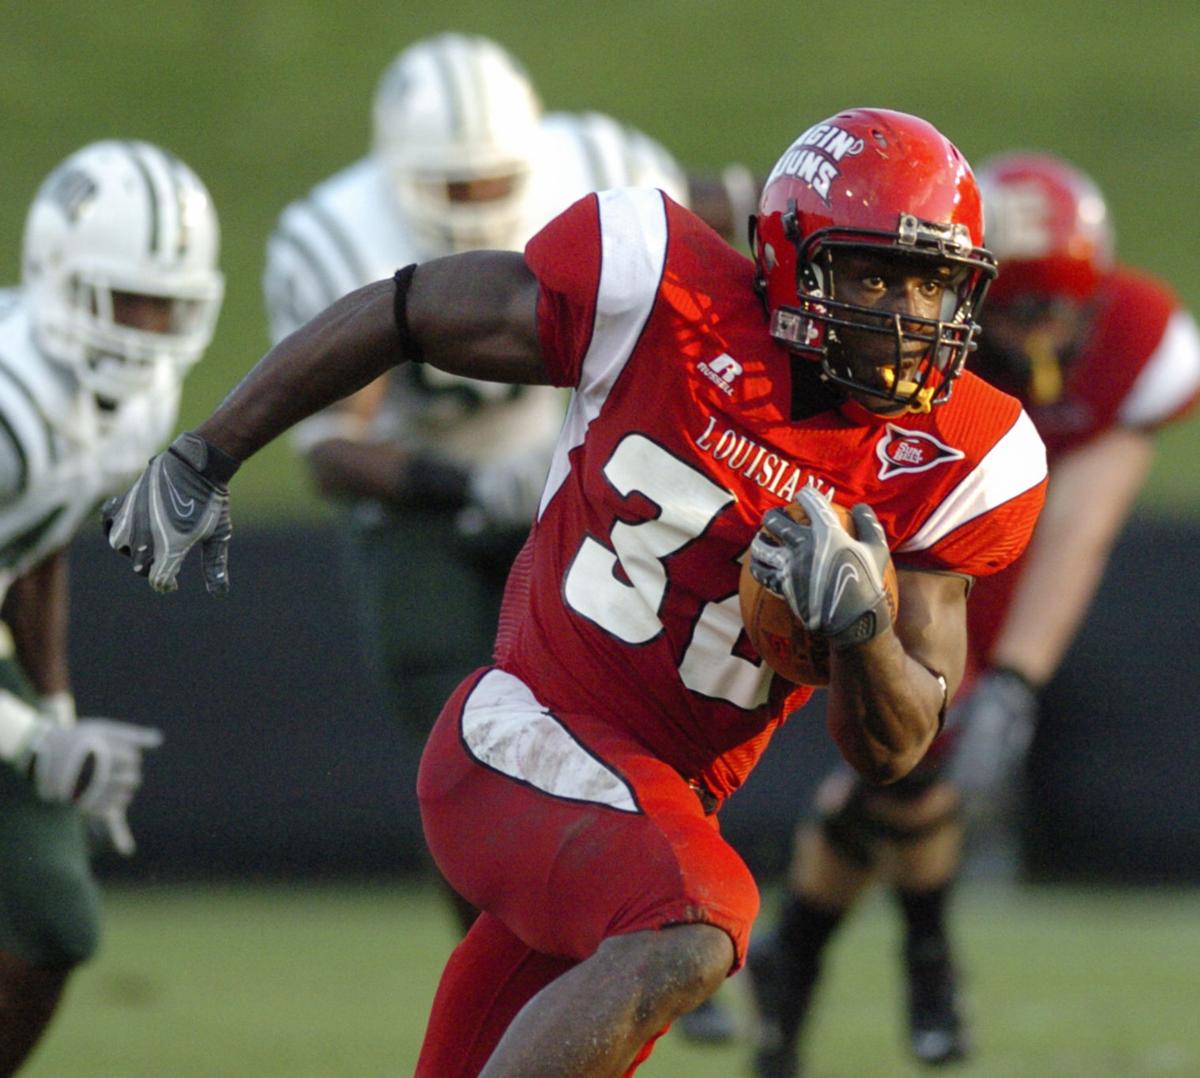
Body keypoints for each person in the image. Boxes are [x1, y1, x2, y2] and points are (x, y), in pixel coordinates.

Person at [101, 107, 1047, 1076]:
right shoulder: (663, 294)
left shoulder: (961, 455)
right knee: (698, 917)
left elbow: (892, 748)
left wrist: (863, 628)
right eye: (874, 274)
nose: (905, 314)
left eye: (932, 284)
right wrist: (208, 453)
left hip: (648, 802)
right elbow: (405, 308)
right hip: (526, 733)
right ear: (789, 254)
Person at [263, 34, 759, 1040]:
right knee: (462, 717)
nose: (478, 197)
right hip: (422, 504)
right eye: (452, 181)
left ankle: (652, 907)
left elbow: (731, 215)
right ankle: (537, 954)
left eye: (496, 176)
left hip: (575, 482)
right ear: (398, 174)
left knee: (644, 696)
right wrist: (463, 483)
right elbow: (330, 451)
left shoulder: (602, 167)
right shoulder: (335, 234)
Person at [745, 150, 1200, 1076]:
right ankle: (912, 957)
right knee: (907, 762)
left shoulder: (1136, 339)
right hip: (907, 523)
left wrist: (1021, 680)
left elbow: (1082, 528)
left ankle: (811, 964)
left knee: (910, 767)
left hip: (1006, 537)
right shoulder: (916, 350)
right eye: (1023, 309)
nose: (1048, 334)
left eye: (1062, 308)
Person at [0, 140, 223, 1073]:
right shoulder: (11, 406)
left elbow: (39, 543)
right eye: (127, 298)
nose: (148, 327)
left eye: (167, 303)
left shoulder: (130, 397)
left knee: (53, 919)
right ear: (56, 275)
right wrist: (28, 742)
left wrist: (56, 709)